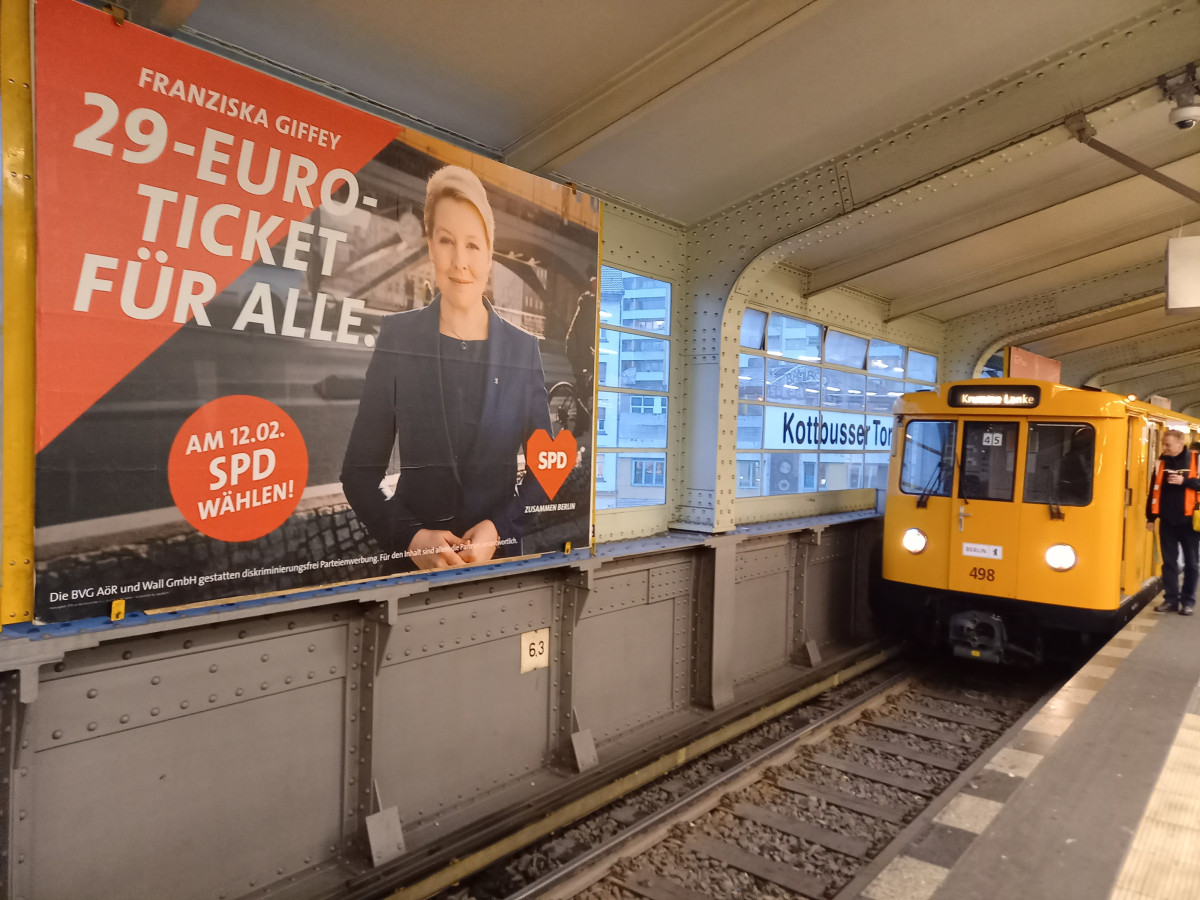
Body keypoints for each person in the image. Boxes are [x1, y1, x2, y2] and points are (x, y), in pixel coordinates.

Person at [341, 165, 552, 570]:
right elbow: (358, 475)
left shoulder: (523, 350)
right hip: (411, 572)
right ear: (430, 247)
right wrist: (410, 537)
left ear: (490, 253)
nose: (460, 262)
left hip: (499, 567)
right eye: (446, 241)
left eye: (473, 245)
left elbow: (546, 472)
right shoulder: (398, 338)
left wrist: (501, 528)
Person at [1146, 429, 1200, 615]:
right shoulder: (1162, 461)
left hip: (1190, 523)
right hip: (1167, 521)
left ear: (1180, 443)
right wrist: (1150, 517)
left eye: (1168, 444)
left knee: (1192, 563)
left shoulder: (1197, 460)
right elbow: (1154, 488)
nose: (1165, 447)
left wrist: (1184, 481)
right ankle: (1170, 601)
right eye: (1164, 444)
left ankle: (1188, 602)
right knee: (1169, 563)